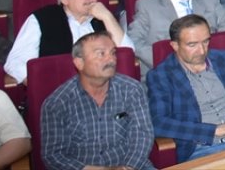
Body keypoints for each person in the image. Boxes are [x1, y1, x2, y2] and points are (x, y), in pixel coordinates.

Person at [146, 15, 225, 162]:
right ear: (175, 46)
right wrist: (212, 131)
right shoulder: (161, 76)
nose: (202, 51)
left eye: (205, 41)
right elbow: (158, 122)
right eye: (192, 45)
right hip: (203, 150)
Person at [40, 31, 153, 170]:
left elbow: (142, 135)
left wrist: (128, 167)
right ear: (79, 62)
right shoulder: (58, 103)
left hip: (131, 166)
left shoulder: (132, 90)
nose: (111, 60)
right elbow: (54, 156)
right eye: (101, 54)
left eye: (113, 53)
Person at [3, 0, 132, 83]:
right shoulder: (42, 19)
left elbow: (128, 54)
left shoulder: (102, 19)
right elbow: (15, 62)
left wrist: (108, 17)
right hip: (58, 90)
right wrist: (41, 85)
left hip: (104, 87)